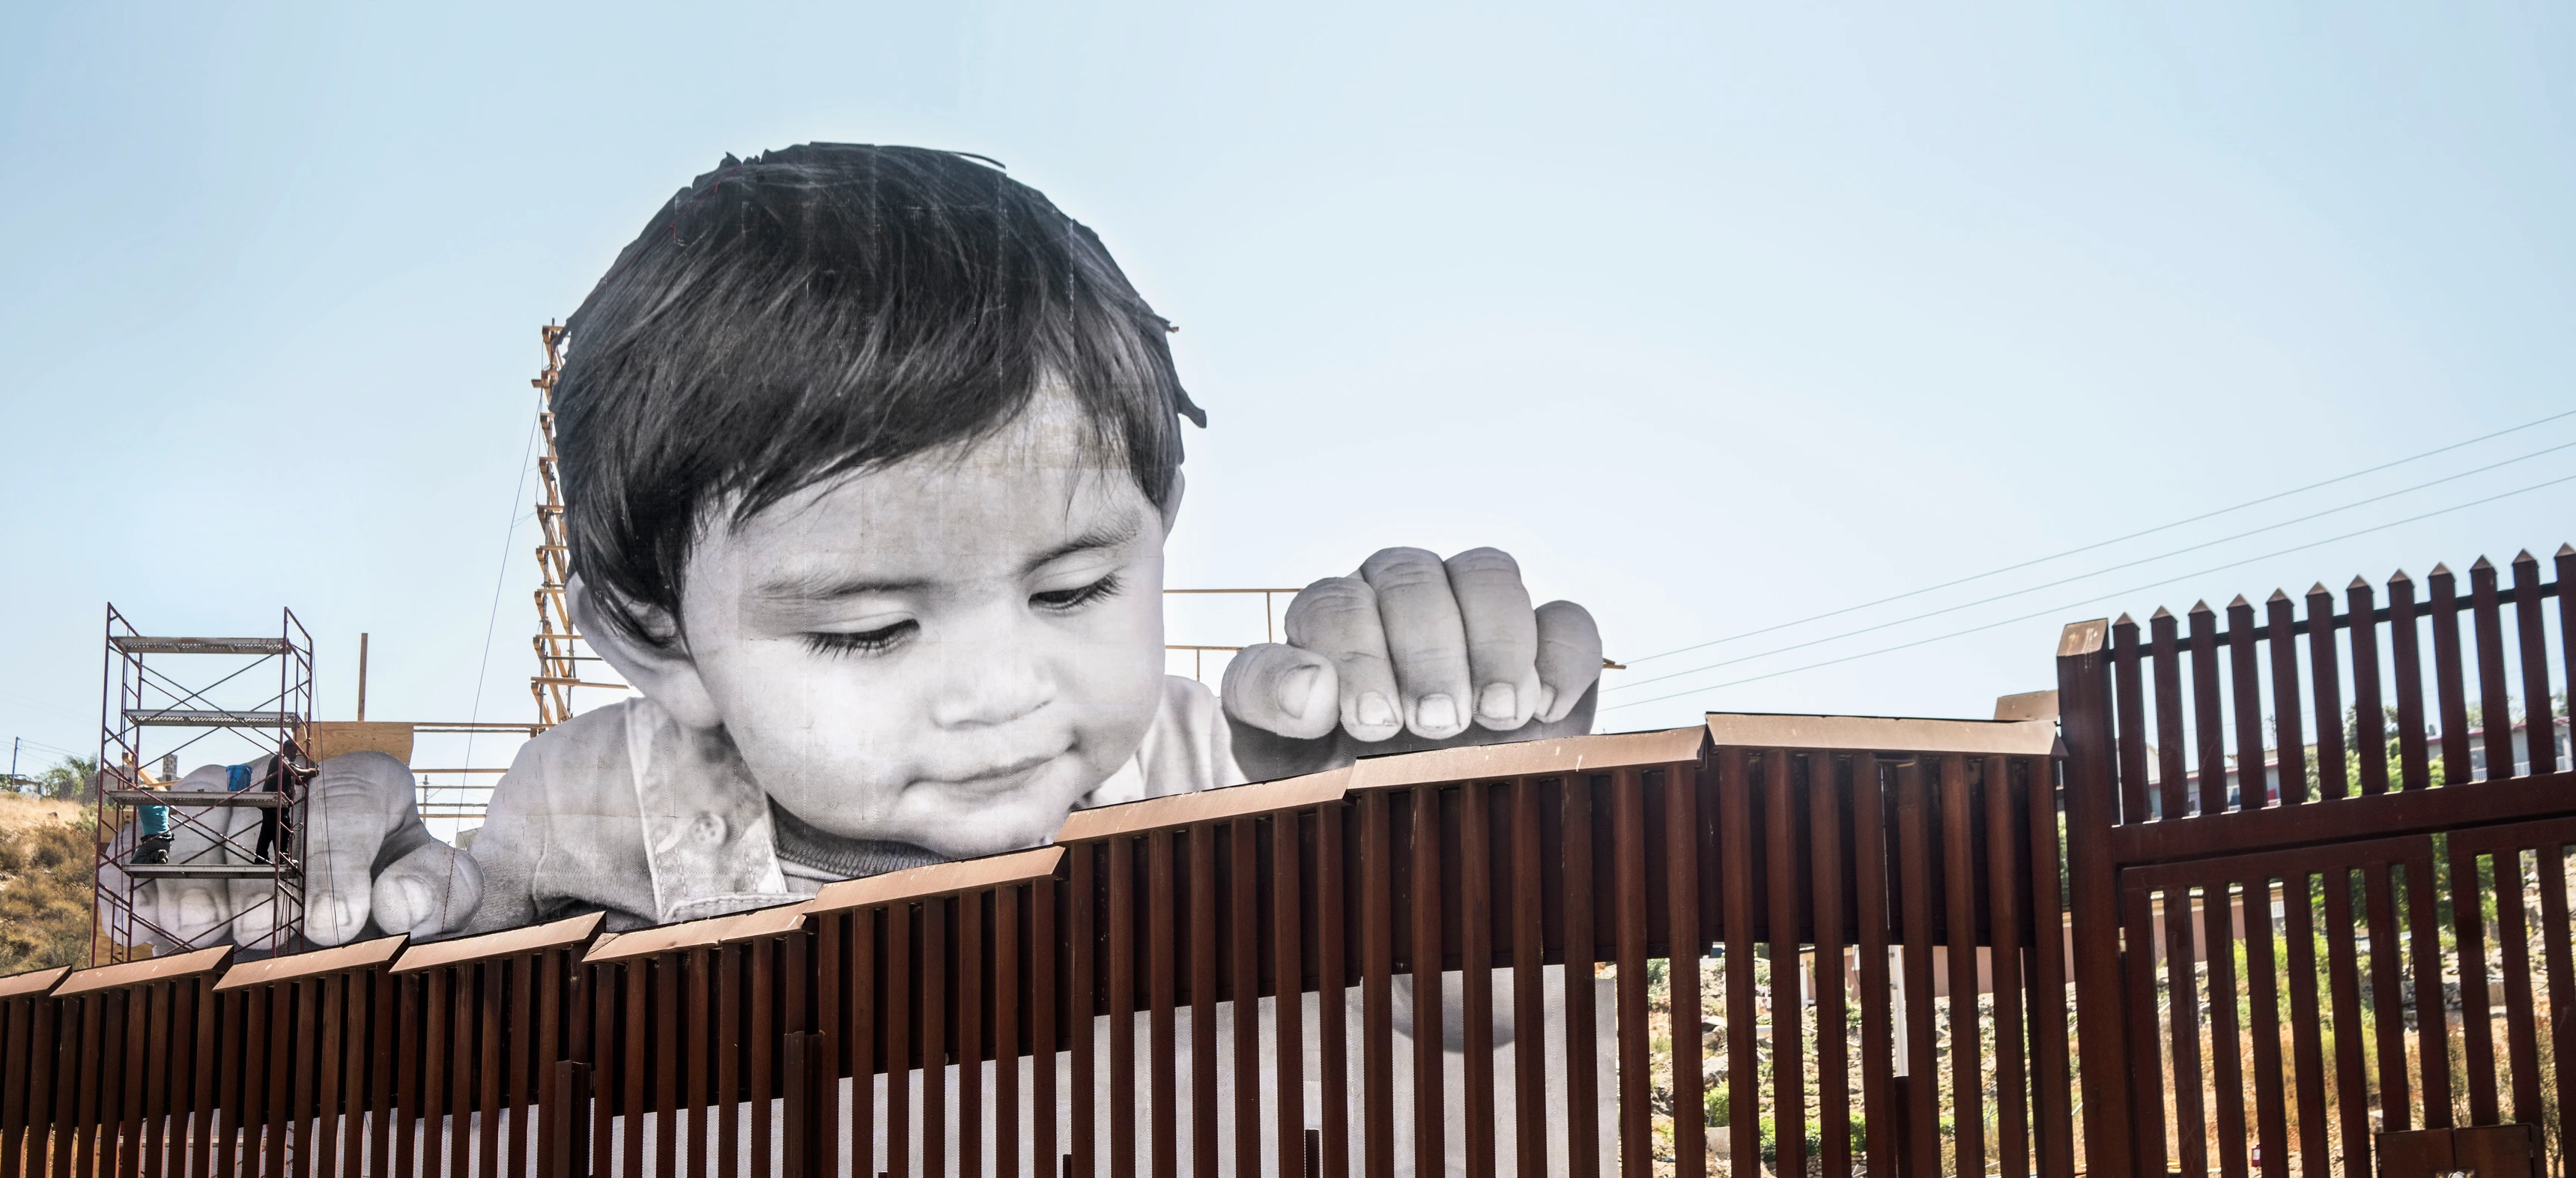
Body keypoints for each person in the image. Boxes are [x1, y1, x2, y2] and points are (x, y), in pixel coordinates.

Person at [129, 143, 1605, 950]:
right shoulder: (584, 823)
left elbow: (1457, 1072)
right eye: (865, 629)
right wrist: (324, 906)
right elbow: (449, 1092)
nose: (999, 692)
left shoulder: (1244, 783)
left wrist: (1445, 849)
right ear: (651, 631)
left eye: (1078, 585)